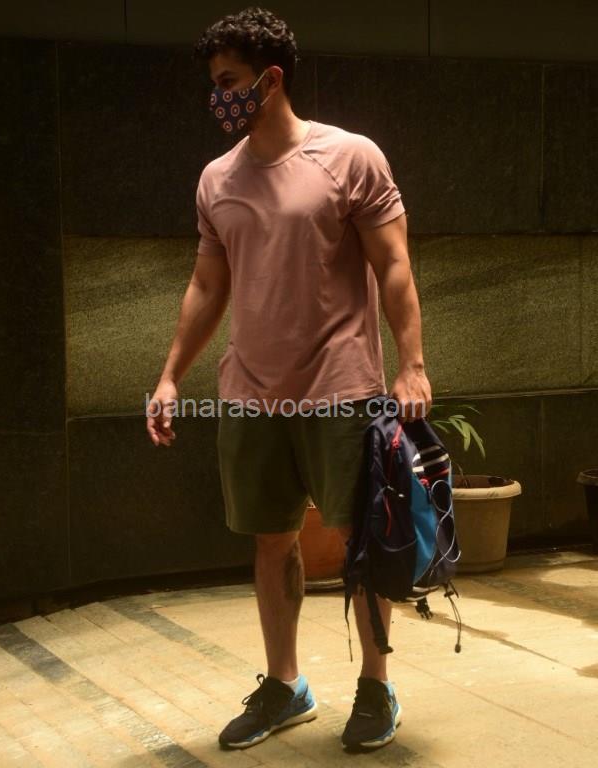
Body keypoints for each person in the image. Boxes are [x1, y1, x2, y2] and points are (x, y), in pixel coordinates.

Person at [146, 5, 432, 753]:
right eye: (214, 83)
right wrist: (171, 376)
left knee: (361, 540)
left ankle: (376, 685)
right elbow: (207, 285)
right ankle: (285, 685)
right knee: (270, 541)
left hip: (341, 386)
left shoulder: (349, 157)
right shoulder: (216, 179)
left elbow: (394, 265)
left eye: (229, 81)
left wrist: (411, 364)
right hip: (250, 392)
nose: (218, 96)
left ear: (270, 80)